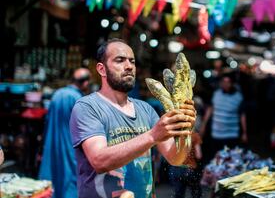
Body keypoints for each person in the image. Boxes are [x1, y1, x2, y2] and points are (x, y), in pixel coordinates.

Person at [69, 38, 196, 198]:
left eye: (132, 61)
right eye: (120, 60)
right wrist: (152, 135)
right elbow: (100, 161)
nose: (129, 66)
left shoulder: (146, 110)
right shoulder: (87, 107)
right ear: (102, 69)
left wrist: (185, 131)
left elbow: (175, 158)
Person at [38, 68, 91, 198]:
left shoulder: (57, 94)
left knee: (54, 176)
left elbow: (47, 121)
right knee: (70, 179)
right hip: (71, 147)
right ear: (85, 83)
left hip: (53, 144)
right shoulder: (79, 99)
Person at [200, 73, 247, 162]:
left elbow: (242, 115)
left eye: (228, 82)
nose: (225, 84)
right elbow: (210, 109)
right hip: (217, 133)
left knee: (230, 159)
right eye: (223, 82)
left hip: (232, 134)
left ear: (232, 83)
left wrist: (244, 132)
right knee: (216, 158)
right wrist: (203, 125)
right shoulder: (216, 94)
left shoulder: (238, 97)